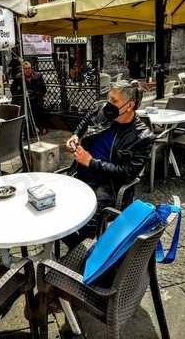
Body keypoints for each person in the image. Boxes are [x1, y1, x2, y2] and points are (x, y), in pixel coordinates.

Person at [65, 80, 155, 247]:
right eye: (108, 98)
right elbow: (85, 121)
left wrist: (91, 162)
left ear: (129, 106)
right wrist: (75, 136)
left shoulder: (143, 137)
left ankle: (86, 258)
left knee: (85, 226)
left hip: (108, 186)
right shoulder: (102, 111)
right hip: (81, 173)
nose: (108, 104)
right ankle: (74, 249)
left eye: (114, 101)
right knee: (56, 209)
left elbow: (127, 172)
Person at [11, 61, 47, 135]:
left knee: (38, 110)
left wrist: (35, 94)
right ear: (22, 69)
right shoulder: (19, 77)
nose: (28, 70)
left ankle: (41, 127)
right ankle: (30, 130)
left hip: (36, 98)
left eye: (29, 68)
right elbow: (13, 89)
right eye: (25, 68)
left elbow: (43, 89)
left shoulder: (38, 76)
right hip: (25, 99)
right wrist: (21, 94)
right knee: (25, 111)